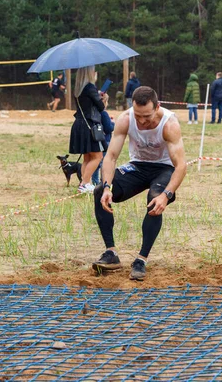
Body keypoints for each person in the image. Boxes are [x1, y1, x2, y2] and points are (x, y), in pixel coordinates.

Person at [91, 86, 187, 281]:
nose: (142, 121)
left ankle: (141, 259)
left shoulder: (169, 124)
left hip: (164, 169)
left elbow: (181, 166)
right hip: (137, 167)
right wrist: (108, 187)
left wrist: (166, 195)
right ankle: (111, 254)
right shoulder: (126, 119)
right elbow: (110, 157)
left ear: (157, 106)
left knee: (154, 200)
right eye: (138, 116)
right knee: (99, 190)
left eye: (147, 116)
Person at [69, 65, 108, 194]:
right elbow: (101, 107)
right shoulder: (90, 87)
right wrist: (104, 99)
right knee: (98, 156)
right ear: (89, 73)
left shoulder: (78, 89)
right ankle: (85, 183)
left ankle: (84, 184)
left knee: (87, 158)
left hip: (79, 124)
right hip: (89, 126)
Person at [91, 111, 115, 185]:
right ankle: (102, 182)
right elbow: (108, 128)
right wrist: (112, 123)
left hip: (95, 140)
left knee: (96, 162)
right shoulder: (103, 113)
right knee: (104, 163)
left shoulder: (92, 112)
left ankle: (95, 181)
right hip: (105, 141)